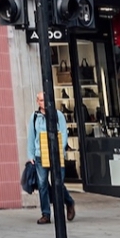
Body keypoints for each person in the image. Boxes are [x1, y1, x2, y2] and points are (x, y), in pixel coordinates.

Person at [27, 90, 75, 224]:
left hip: (56, 154)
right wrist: (30, 154)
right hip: (40, 155)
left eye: (45, 100)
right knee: (42, 185)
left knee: (58, 183)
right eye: (41, 100)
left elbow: (64, 133)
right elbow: (31, 136)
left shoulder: (57, 114)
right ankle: (46, 214)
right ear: (38, 102)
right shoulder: (34, 117)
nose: (44, 103)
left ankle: (69, 202)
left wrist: (60, 148)